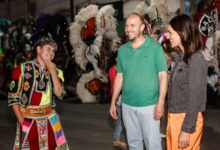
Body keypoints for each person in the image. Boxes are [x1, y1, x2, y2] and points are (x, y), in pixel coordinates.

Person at [109, 13, 168, 150]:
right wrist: (113, 102)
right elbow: (120, 77)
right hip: (127, 106)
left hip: (149, 106)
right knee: (134, 144)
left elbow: (163, 76)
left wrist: (161, 103)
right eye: (127, 26)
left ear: (142, 27)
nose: (128, 29)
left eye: (133, 25)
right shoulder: (123, 50)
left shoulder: (154, 47)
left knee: (153, 145)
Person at [8, 37, 69, 150]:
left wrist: (52, 72)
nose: (51, 53)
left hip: (51, 119)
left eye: (53, 51)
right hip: (28, 119)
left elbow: (60, 94)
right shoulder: (21, 69)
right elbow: (13, 99)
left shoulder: (57, 71)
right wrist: (23, 122)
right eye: (48, 49)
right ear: (38, 49)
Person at [166, 14, 208, 150]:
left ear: (182, 33)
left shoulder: (196, 59)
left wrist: (186, 129)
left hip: (186, 120)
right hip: (175, 117)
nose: (168, 36)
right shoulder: (182, 57)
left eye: (171, 32)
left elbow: (195, 98)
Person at [108, 52, 127, 149]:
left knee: (122, 121)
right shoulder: (112, 70)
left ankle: (117, 139)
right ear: (116, 59)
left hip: (124, 97)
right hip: (118, 98)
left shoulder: (123, 69)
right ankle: (117, 140)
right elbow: (115, 83)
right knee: (122, 120)